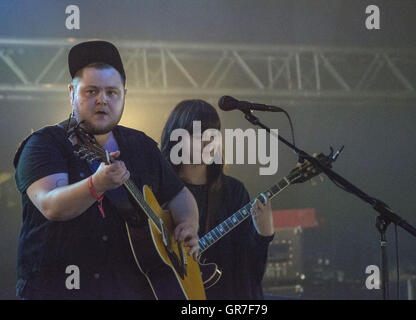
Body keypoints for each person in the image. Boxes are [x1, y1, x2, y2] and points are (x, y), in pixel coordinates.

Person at [13, 41, 199, 300]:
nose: (102, 100)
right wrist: (95, 184)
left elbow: (180, 196)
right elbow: (51, 205)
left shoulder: (141, 146)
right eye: (91, 91)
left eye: (112, 92)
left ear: (124, 94)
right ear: (71, 93)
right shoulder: (45, 144)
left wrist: (188, 224)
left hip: (132, 290)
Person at [160, 99, 275, 300]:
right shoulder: (158, 191)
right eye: (199, 135)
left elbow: (249, 270)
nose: (208, 142)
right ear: (177, 137)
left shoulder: (234, 191)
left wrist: (264, 235)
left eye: (213, 134)